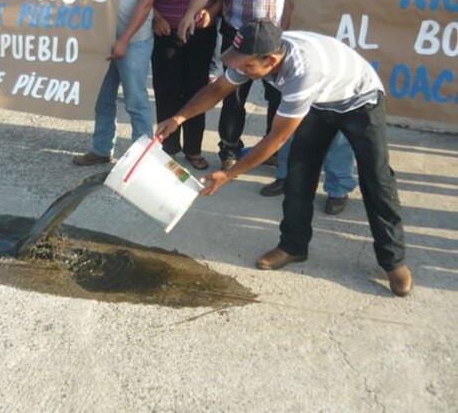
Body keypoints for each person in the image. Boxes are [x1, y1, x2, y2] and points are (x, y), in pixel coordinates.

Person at [155, 20, 412, 298]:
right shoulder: (255, 52)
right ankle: (293, 246)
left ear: (271, 60)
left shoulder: (303, 72)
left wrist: (230, 174)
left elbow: (276, 139)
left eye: (247, 66)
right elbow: (218, 89)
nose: (241, 70)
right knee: (299, 175)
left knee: (377, 180)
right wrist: (179, 118)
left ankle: (393, 261)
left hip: (360, 102)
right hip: (319, 103)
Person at [260, 0, 379, 216]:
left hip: (343, 45)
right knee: (292, 109)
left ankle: (338, 187)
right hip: (305, 38)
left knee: (338, 115)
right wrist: (282, 30)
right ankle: (287, 175)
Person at [178, 0, 287, 170]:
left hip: (276, 41)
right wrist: (191, 13)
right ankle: (229, 148)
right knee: (234, 95)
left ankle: (273, 149)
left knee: (278, 96)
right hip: (240, 37)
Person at [73, 0, 166, 166]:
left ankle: (142, 161)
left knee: (136, 102)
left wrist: (124, 41)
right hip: (105, 38)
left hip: (134, 42)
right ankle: (102, 149)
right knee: (102, 99)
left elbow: (145, 4)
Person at [151, 0, 222, 169]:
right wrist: (155, 17)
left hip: (200, 34)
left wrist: (211, 13)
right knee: (167, 91)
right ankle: (168, 147)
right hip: (165, 34)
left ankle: (193, 149)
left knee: (196, 91)